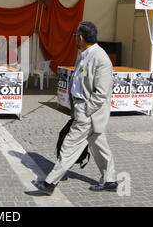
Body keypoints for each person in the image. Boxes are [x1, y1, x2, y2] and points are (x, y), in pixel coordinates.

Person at [32, 21, 118, 195]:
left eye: (75, 37)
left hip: (89, 112)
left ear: (80, 37)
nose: (74, 41)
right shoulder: (84, 54)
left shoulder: (100, 59)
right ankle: (110, 180)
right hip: (82, 108)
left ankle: (50, 183)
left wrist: (86, 111)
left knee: (69, 145)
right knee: (99, 145)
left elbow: (101, 93)